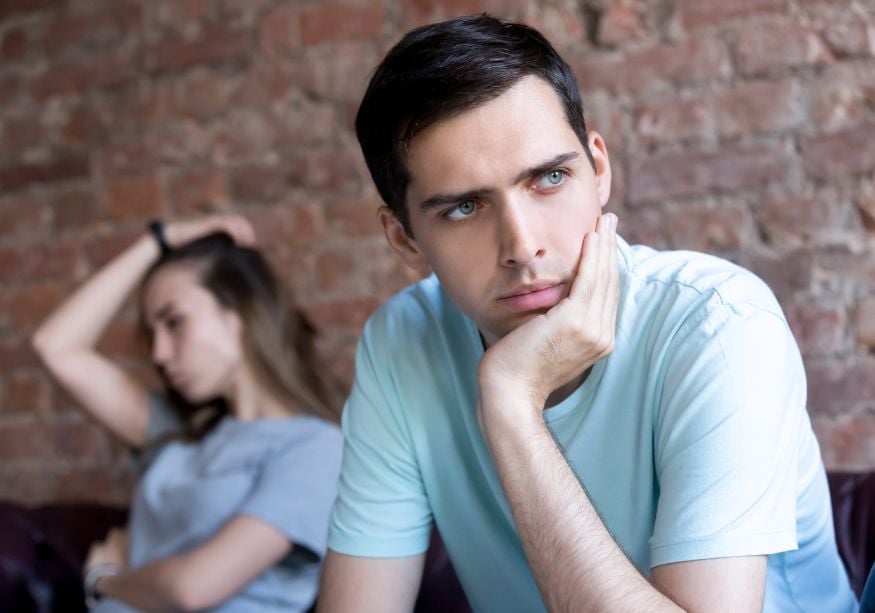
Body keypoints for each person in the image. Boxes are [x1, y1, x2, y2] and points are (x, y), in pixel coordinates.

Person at [317, 14, 858, 613]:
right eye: (464, 208)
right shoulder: (402, 342)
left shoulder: (720, 325)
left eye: (549, 178)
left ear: (598, 169)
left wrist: (511, 405)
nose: (523, 246)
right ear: (405, 240)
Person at [32, 215, 343, 612]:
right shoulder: (176, 435)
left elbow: (191, 590)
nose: (159, 354)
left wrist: (105, 580)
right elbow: (55, 347)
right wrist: (161, 239)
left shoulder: (317, 448)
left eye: (174, 322)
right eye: (153, 334)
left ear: (241, 315)